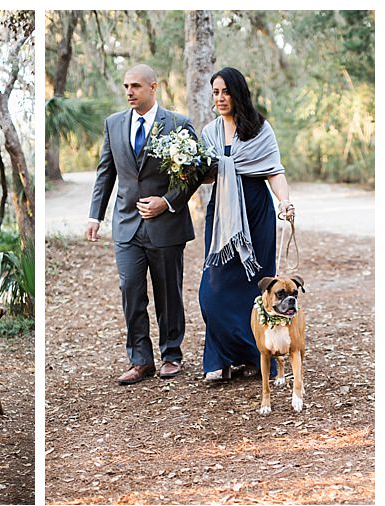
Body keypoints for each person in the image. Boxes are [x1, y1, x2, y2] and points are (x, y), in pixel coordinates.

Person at [87, 63, 200, 385]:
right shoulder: (113, 124)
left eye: (135, 86)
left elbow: (192, 173)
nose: (129, 92)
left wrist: (167, 201)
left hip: (166, 225)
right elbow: (105, 172)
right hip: (126, 225)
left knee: (168, 294)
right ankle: (140, 360)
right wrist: (95, 215)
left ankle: (171, 355)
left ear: (153, 87)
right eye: (126, 86)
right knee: (131, 291)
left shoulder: (178, 124)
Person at [199, 67, 295, 381]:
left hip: (256, 211)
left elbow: (273, 170)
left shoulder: (260, 130)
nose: (220, 98)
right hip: (223, 212)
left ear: (238, 92)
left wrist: (284, 201)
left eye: (225, 91)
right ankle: (220, 357)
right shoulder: (209, 132)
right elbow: (206, 175)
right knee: (213, 289)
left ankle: (257, 356)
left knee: (255, 287)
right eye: (215, 92)